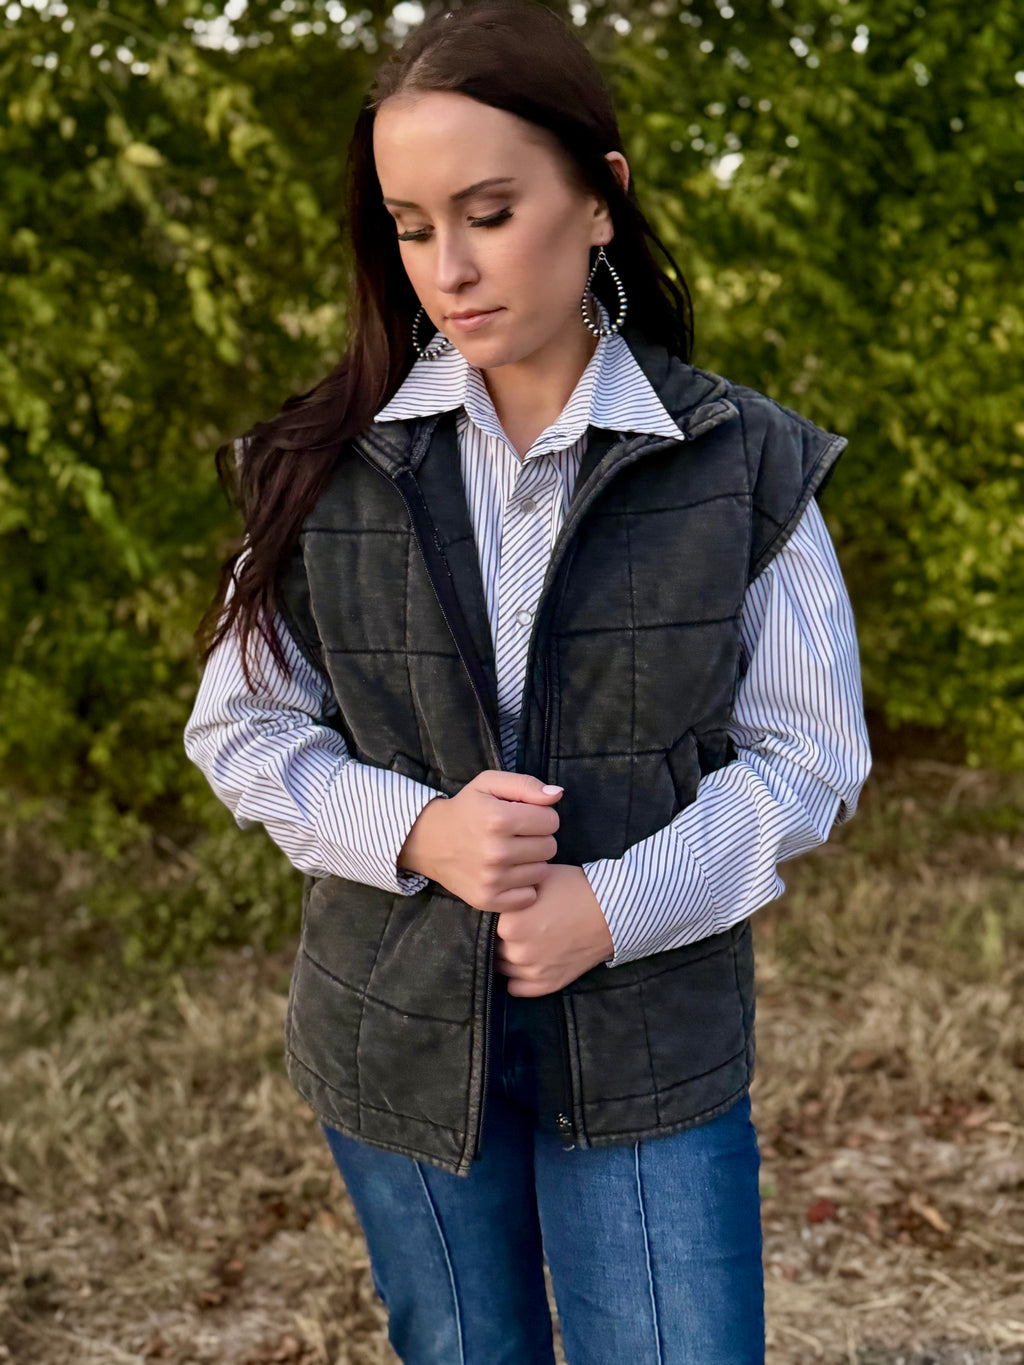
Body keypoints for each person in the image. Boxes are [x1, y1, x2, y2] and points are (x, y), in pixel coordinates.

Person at [184, 1, 872, 1360]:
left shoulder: (740, 463)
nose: (447, 266)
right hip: (392, 1040)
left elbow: (812, 759)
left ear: (600, 198)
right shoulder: (319, 465)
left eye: (489, 212)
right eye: (411, 223)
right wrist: (421, 829)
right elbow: (243, 727)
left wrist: (609, 908)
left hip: (647, 1045)